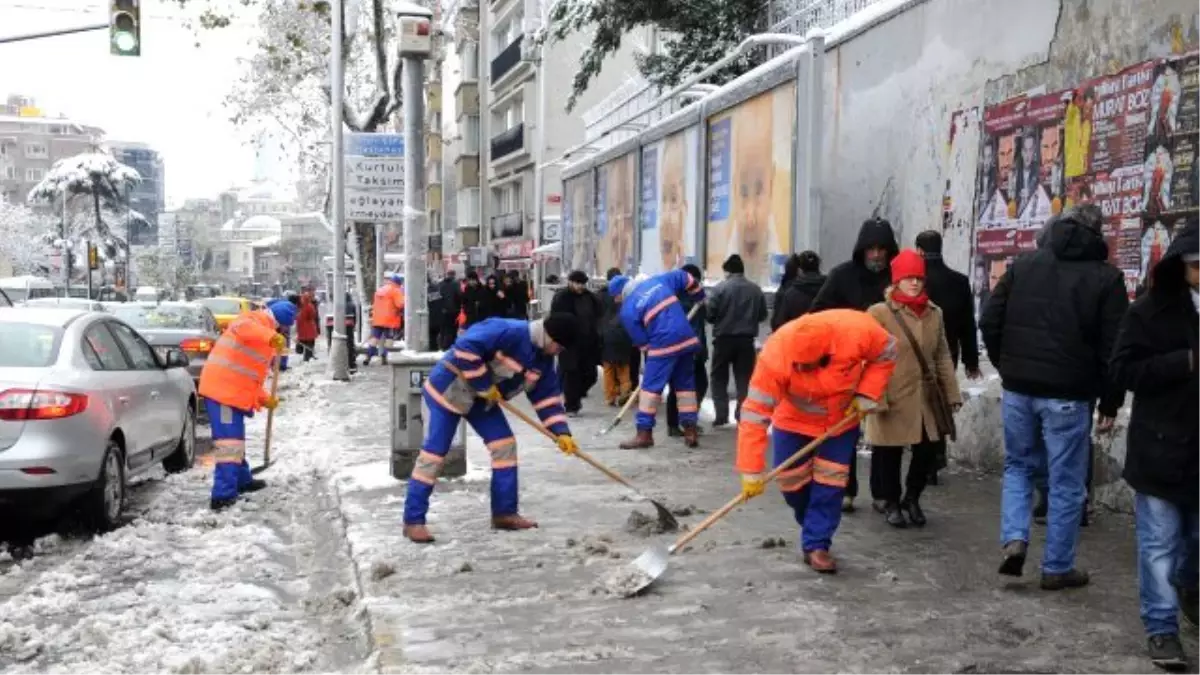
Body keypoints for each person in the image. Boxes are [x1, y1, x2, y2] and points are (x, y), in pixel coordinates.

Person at [980, 204, 1128, 589]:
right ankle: (1057, 567)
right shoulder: (1107, 279)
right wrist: (1110, 402)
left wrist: (1008, 366)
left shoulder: (1023, 266)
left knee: (1018, 466)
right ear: (1099, 235)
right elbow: (1115, 348)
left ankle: (1015, 538)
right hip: (1069, 396)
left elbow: (989, 320)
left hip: (1018, 389)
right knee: (1065, 482)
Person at [736, 309, 897, 573]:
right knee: (791, 483)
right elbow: (755, 414)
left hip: (841, 420)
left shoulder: (857, 330)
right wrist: (751, 470)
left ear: (827, 353)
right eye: (799, 367)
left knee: (830, 482)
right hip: (793, 421)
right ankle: (813, 523)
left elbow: (888, 350)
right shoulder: (775, 354)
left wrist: (868, 393)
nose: (803, 371)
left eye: (810, 366)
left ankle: (817, 544)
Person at [402, 314, 582, 543]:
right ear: (548, 337)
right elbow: (465, 348)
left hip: (482, 401)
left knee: (504, 446)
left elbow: (546, 399)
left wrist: (561, 432)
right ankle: (413, 521)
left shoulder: (544, 362)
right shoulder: (508, 330)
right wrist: (483, 384)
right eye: (559, 346)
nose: (559, 352)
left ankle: (504, 513)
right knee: (434, 454)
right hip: (449, 389)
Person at [1110, 219, 1200, 671]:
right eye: (1197, 264)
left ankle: (1189, 587)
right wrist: (1182, 362)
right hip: (1161, 447)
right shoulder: (1148, 312)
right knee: (1159, 543)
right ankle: (1161, 628)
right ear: (1180, 267)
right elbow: (1123, 370)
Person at [864, 250, 962, 528]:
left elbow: (942, 354)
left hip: (926, 397)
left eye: (918, 277)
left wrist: (951, 393)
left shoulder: (934, 312)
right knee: (889, 452)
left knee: (928, 449)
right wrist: (874, 396)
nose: (915, 283)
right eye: (908, 278)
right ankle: (891, 502)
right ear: (896, 280)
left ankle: (912, 497)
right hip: (891, 393)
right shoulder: (880, 313)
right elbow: (868, 357)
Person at [811, 216, 900, 512]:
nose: (876, 255)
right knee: (844, 428)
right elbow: (819, 315)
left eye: (881, 249)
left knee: (884, 432)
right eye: (870, 249)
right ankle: (845, 488)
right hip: (847, 365)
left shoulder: (898, 279)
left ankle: (883, 492)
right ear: (861, 250)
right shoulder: (841, 276)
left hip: (885, 366)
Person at [198, 303, 292, 510]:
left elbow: (249, 377)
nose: (282, 333)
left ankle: (242, 479)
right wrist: (270, 336)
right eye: (282, 329)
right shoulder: (252, 322)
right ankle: (222, 495)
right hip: (222, 392)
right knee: (229, 443)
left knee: (235, 440)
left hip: (230, 391)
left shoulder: (262, 333)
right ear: (279, 323)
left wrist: (263, 398)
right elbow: (244, 328)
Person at [609, 267, 706, 448]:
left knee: (650, 390)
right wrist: (698, 295)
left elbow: (642, 341)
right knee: (685, 387)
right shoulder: (658, 281)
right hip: (686, 339)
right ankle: (690, 431)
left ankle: (644, 434)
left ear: (620, 294)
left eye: (616, 297)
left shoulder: (627, 310)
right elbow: (685, 277)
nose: (617, 301)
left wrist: (652, 358)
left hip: (662, 345)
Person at [913, 230, 981, 486]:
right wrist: (971, 362)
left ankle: (924, 455)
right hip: (947, 354)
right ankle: (936, 455)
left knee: (920, 405)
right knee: (939, 404)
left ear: (919, 251)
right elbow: (967, 325)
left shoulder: (915, 281)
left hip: (916, 355)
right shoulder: (959, 281)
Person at [706, 254, 768, 427]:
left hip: (723, 340)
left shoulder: (719, 289)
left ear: (727, 271)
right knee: (744, 379)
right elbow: (763, 315)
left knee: (719, 377)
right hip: (746, 341)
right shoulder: (755, 289)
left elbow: (710, 315)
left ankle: (721, 415)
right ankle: (742, 414)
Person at [667, 263, 710, 439]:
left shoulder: (697, 299)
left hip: (697, 349)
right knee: (678, 388)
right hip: (680, 349)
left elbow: (704, 320)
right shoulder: (675, 299)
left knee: (700, 385)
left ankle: (688, 421)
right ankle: (674, 424)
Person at [551, 271, 603, 414]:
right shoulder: (562, 298)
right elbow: (555, 320)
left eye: (582, 283)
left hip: (588, 343)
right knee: (571, 374)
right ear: (570, 282)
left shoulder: (590, 297)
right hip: (569, 343)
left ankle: (575, 396)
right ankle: (571, 405)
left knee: (591, 375)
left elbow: (598, 315)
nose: (580, 286)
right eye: (577, 283)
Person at [600, 269, 635, 407]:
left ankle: (610, 396)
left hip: (608, 336)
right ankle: (625, 391)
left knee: (608, 369)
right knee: (623, 367)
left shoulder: (602, 295)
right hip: (624, 337)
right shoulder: (630, 299)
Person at [771, 251, 825, 330]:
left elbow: (779, 324)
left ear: (799, 270)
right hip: (825, 339)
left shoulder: (790, 293)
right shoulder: (829, 289)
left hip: (797, 339)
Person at [365, 274, 405, 366]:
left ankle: (368, 355)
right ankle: (385, 357)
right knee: (389, 339)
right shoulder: (396, 290)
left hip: (378, 318)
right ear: (398, 283)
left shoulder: (380, 289)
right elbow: (400, 304)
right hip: (390, 319)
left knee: (375, 337)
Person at [265, 297, 298, 371]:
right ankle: (274, 364)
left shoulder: (289, 307)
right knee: (275, 343)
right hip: (277, 319)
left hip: (280, 318)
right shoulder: (282, 310)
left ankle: (282, 364)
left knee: (283, 342)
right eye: (285, 326)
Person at [436, 271, 461, 350]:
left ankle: (442, 345)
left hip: (442, 311)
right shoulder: (456, 284)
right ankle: (449, 345)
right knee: (452, 329)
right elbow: (459, 296)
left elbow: (437, 298)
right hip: (453, 311)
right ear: (454, 275)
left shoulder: (440, 284)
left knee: (443, 329)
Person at [296, 292, 320, 362]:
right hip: (308, 327)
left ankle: (306, 356)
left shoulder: (301, 306)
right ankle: (308, 357)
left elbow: (299, 315)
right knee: (310, 343)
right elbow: (313, 316)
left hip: (303, 327)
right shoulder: (310, 306)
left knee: (305, 342)